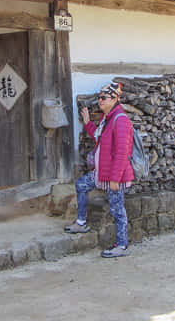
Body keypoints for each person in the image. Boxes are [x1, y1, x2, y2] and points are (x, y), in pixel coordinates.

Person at [65, 83, 134, 258]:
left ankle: (122, 245)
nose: (100, 101)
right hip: (102, 172)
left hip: (113, 175)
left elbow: (122, 152)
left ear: (115, 99)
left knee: (117, 209)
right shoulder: (109, 118)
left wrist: (115, 179)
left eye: (104, 97)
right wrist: (88, 123)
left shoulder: (121, 120)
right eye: (99, 97)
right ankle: (81, 222)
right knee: (81, 184)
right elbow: (99, 137)